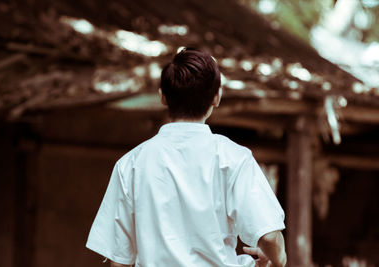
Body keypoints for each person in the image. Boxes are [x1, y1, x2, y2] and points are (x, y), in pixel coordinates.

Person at [86, 48, 287, 267]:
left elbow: (119, 261)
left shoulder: (131, 164)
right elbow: (269, 237)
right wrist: (278, 260)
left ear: (162, 96)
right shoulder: (234, 158)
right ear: (216, 97)